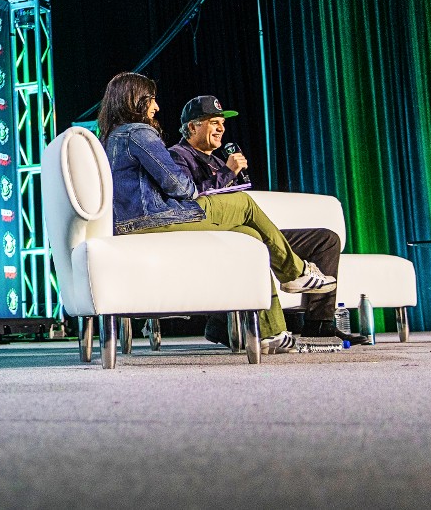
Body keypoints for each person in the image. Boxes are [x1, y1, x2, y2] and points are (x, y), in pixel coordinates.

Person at [96, 72, 336, 354]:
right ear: (135, 100)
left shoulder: (110, 137)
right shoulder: (139, 132)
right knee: (244, 203)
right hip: (153, 219)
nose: (156, 107)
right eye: (152, 100)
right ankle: (295, 272)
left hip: (134, 223)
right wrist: (203, 183)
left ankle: (271, 333)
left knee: (250, 236)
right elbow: (179, 186)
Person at [168, 95, 367, 345]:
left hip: (246, 230)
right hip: (218, 236)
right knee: (256, 244)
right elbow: (192, 199)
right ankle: (224, 321)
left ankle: (320, 323)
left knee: (325, 239)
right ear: (192, 127)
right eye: (213, 122)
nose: (221, 128)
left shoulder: (218, 160)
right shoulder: (176, 157)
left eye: (222, 123)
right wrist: (228, 172)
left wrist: (234, 175)